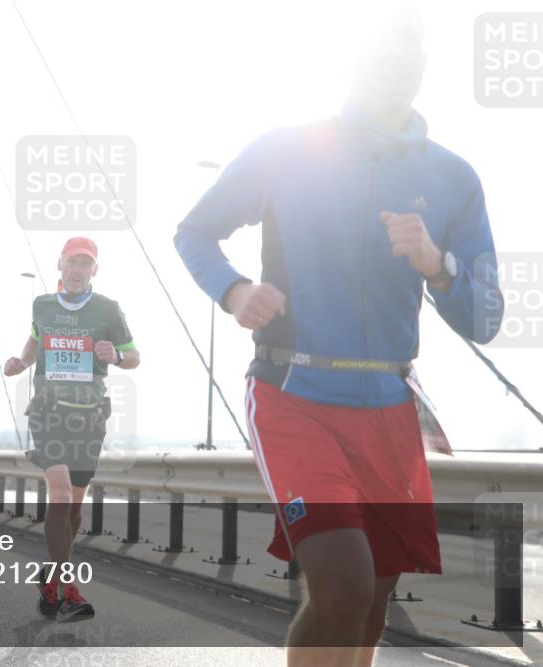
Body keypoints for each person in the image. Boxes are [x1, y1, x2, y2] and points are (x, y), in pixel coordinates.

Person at [173, 5, 502, 665]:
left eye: (407, 56)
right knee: (344, 582)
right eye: (379, 54)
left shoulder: (453, 178)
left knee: (372, 599)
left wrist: (439, 266)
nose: (394, 68)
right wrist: (235, 290)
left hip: (388, 405)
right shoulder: (287, 148)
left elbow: (486, 317)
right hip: (294, 391)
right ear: (347, 63)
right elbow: (194, 232)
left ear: (423, 66)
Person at [4, 236, 140, 622]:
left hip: (89, 416)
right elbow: (34, 342)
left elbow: (134, 356)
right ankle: (68, 590)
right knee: (60, 495)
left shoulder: (108, 310)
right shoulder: (42, 304)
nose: (78, 270)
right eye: (72, 262)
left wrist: (116, 355)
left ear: (94, 270)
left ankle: (50, 575)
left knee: (73, 509)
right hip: (48, 413)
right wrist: (21, 363)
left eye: (86, 264)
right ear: (60, 265)